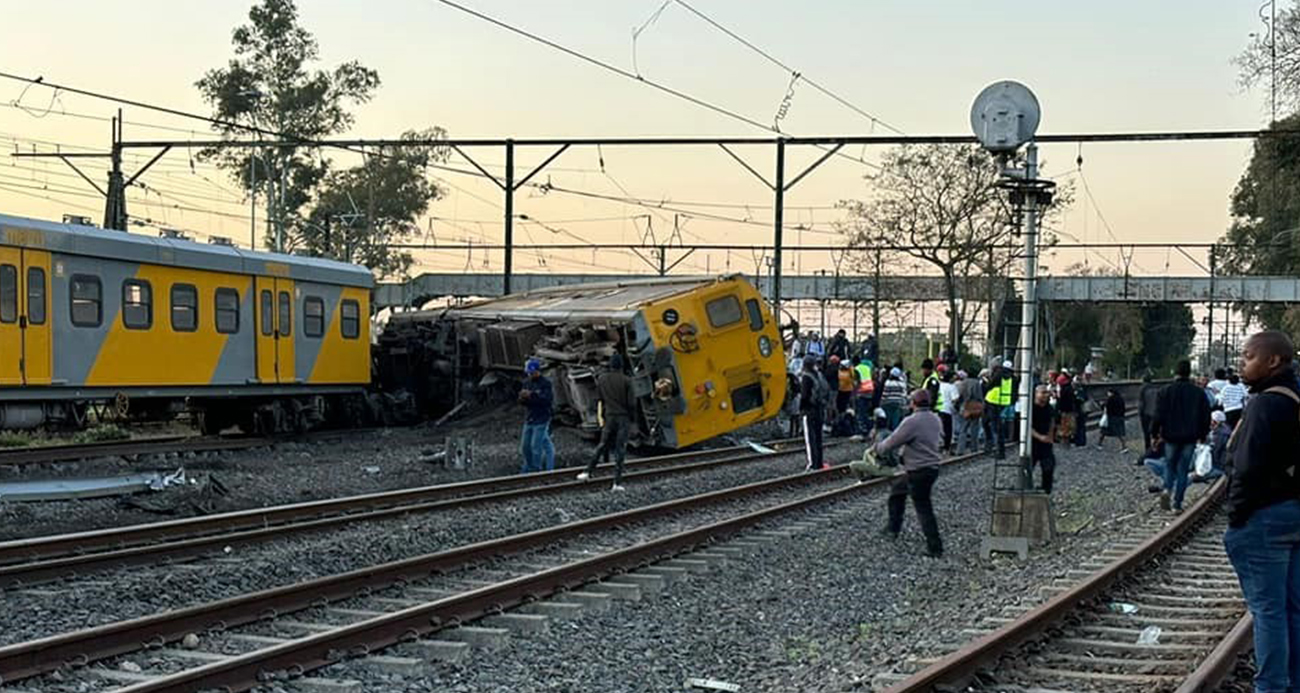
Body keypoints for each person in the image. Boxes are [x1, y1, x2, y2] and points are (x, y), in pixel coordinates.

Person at [1223, 330, 1300, 693]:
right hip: (1294, 514)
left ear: (1273, 361)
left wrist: (1236, 518)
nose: (1243, 362)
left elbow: (1247, 468)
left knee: (1268, 611)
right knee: (1292, 609)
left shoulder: (1265, 404)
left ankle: (1270, 686)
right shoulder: (1296, 398)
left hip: (1264, 517)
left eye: (1249, 356)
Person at [873, 389, 945, 557]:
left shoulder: (912, 421)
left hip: (918, 469)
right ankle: (893, 528)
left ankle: (935, 547)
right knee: (898, 490)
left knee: (923, 507)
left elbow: (892, 441)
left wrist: (878, 448)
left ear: (913, 403)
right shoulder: (935, 419)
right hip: (932, 468)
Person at [1151, 359, 1211, 512]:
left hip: (1170, 436)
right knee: (1183, 470)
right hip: (1190, 437)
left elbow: (1157, 415)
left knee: (1169, 465)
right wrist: (1203, 434)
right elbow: (1206, 416)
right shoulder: (1198, 392)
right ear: (1189, 372)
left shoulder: (1165, 391)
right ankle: (1177, 504)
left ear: (1175, 372)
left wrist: (1154, 434)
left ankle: (1166, 489)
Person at [577, 354, 634, 490]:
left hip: (609, 417)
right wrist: (633, 418)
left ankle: (587, 472)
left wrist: (602, 415)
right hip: (623, 418)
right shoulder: (627, 381)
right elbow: (632, 403)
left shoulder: (602, 379)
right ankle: (616, 483)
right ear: (621, 366)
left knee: (602, 445)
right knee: (620, 450)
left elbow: (600, 399)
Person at [518, 358, 556, 474]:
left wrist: (532, 395)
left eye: (532, 373)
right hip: (530, 417)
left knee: (536, 446)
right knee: (525, 446)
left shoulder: (545, 383)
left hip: (542, 418)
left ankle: (536, 469)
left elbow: (547, 400)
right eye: (528, 373)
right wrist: (523, 398)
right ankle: (529, 467)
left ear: (538, 371)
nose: (530, 375)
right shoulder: (526, 383)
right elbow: (522, 402)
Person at [799, 355, 830, 471]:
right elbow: (827, 390)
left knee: (810, 438)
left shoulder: (806, 377)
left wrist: (801, 409)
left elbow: (804, 396)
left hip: (809, 410)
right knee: (818, 437)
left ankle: (812, 464)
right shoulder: (820, 376)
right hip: (820, 410)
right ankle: (819, 462)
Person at [1027, 385, 1057, 494]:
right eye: (1043, 393)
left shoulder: (1049, 408)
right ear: (1036, 394)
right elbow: (1026, 426)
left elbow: (1052, 422)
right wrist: (1040, 437)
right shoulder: (1030, 409)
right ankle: (1026, 487)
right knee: (1028, 467)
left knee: (1049, 466)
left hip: (1046, 443)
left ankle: (1046, 489)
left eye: (1047, 393)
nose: (1046, 395)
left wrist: (1049, 436)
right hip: (1032, 442)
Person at [983, 363, 1013, 459]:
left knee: (991, 425)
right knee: (995, 425)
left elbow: (989, 386)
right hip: (1004, 402)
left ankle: (996, 448)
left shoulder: (998, 375)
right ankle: (993, 446)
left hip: (992, 401)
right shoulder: (1013, 377)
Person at [1191, 410, 1229, 484]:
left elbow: (1213, 451)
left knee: (1194, 477)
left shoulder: (1221, 434)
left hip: (1217, 466)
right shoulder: (1216, 431)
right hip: (1213, 463)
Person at [955, 370, 984, 454]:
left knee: (963, 429)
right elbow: (980, 397)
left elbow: (960, 396)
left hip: (964, 408)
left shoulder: (963, 383)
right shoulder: (977, 383)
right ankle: (974, 448)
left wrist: (957, 405)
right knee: (974, 428)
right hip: (975, 408)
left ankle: (960, 449)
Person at [1095, 387, 1129, 453]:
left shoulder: (1110, 399)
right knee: (1120, 433)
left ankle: (1099, 444)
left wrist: (1101, 405)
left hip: (1111, 418)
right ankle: (1124, 446)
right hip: (1119, 417)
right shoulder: (1120, 399)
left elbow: (1107, 407)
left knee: (1103, 432)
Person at [880, 367, 909, 433]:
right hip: (897, 404)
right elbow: (904, 395)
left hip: (887, 403)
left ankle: (887, 434)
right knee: (895, 420)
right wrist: (904, 404)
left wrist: (882, 402)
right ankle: (895, 433)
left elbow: (885, 394)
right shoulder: (902, 384)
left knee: (887, 420)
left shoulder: (888, 383)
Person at [1138, 374, 1162, 452]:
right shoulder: (1156, 388)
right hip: (1155, 413)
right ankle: (1156, 448)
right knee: (1156, 433)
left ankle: (1148, 449)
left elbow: (1141, 403)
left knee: (1146, 433)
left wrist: (1140, 413)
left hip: (1146, 413)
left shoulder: (1142, 389)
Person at [853, 357, 875, 436]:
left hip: (861, 392)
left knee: (860, 412)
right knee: (866, 412)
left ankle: (862, 430)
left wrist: (854, 393)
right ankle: (868, 428)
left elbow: (857, 382)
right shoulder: (867, 367)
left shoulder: (856, 369)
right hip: (870, 391)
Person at [938, 370, 959, 454]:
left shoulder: (939, 385)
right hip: (947, 410)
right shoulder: (951, 387)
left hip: (938, 409)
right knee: (948, 430)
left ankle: (938, 445)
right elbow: (955, 399)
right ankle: (946, 448)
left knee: (938, 429)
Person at [1054, 374, 1077, 444]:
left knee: (1065, 425)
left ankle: (1065, 438)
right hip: (1069, 409)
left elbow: (1062, 400)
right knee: (1067, 425)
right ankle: (1067, 438)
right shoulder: (1070, 388)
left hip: (1064, 409)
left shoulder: (1064, 389)